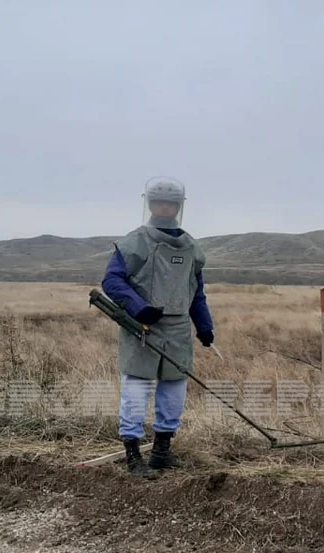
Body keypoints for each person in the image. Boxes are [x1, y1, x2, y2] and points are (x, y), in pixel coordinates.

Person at [101, 177, 215, 478]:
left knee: (174, 391)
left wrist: (204, 327)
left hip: (178, 331)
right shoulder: (135, 242)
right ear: (150, 204)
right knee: (136, 390)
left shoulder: (192, 248)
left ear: (179, 207)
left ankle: (162, 452)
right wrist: (139, 308)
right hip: (142, 327)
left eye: (171, 203)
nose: (165, 208)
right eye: (159, 203)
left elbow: (196, 293)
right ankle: (133, 456)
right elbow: (112, 281)